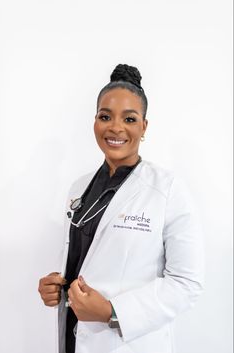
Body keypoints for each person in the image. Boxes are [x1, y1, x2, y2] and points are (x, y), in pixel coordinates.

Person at [38, 64, 204, 353]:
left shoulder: (168, 190)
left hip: (126, 343)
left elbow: (186, 283)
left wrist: (112, 312)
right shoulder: (79, 188)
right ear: (95, 121)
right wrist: (56, 285)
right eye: (106, 117)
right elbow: (85, 259)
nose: (115, 128)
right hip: (74, 338)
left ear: (144, 126)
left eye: (129, 118)